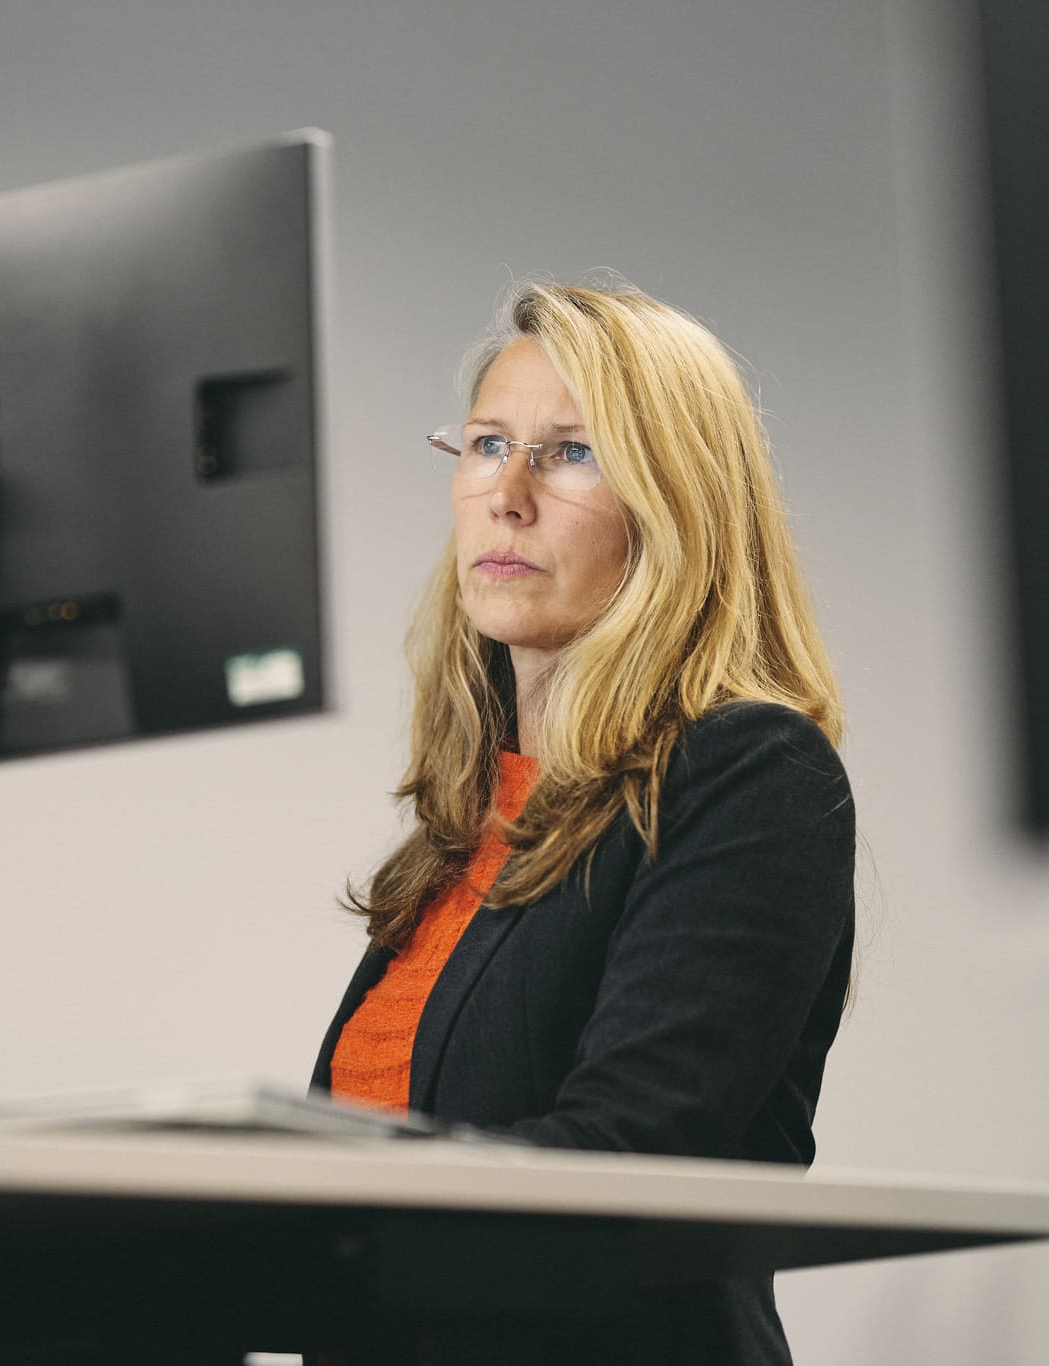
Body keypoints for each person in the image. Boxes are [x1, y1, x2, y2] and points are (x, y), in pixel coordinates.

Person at [311, 281, 855, 1365]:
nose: (506, 494)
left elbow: (621, 1147)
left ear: (675, 504)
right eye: (484, 445)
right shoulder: (468, 822)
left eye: (569, 453)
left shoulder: (745, 773)